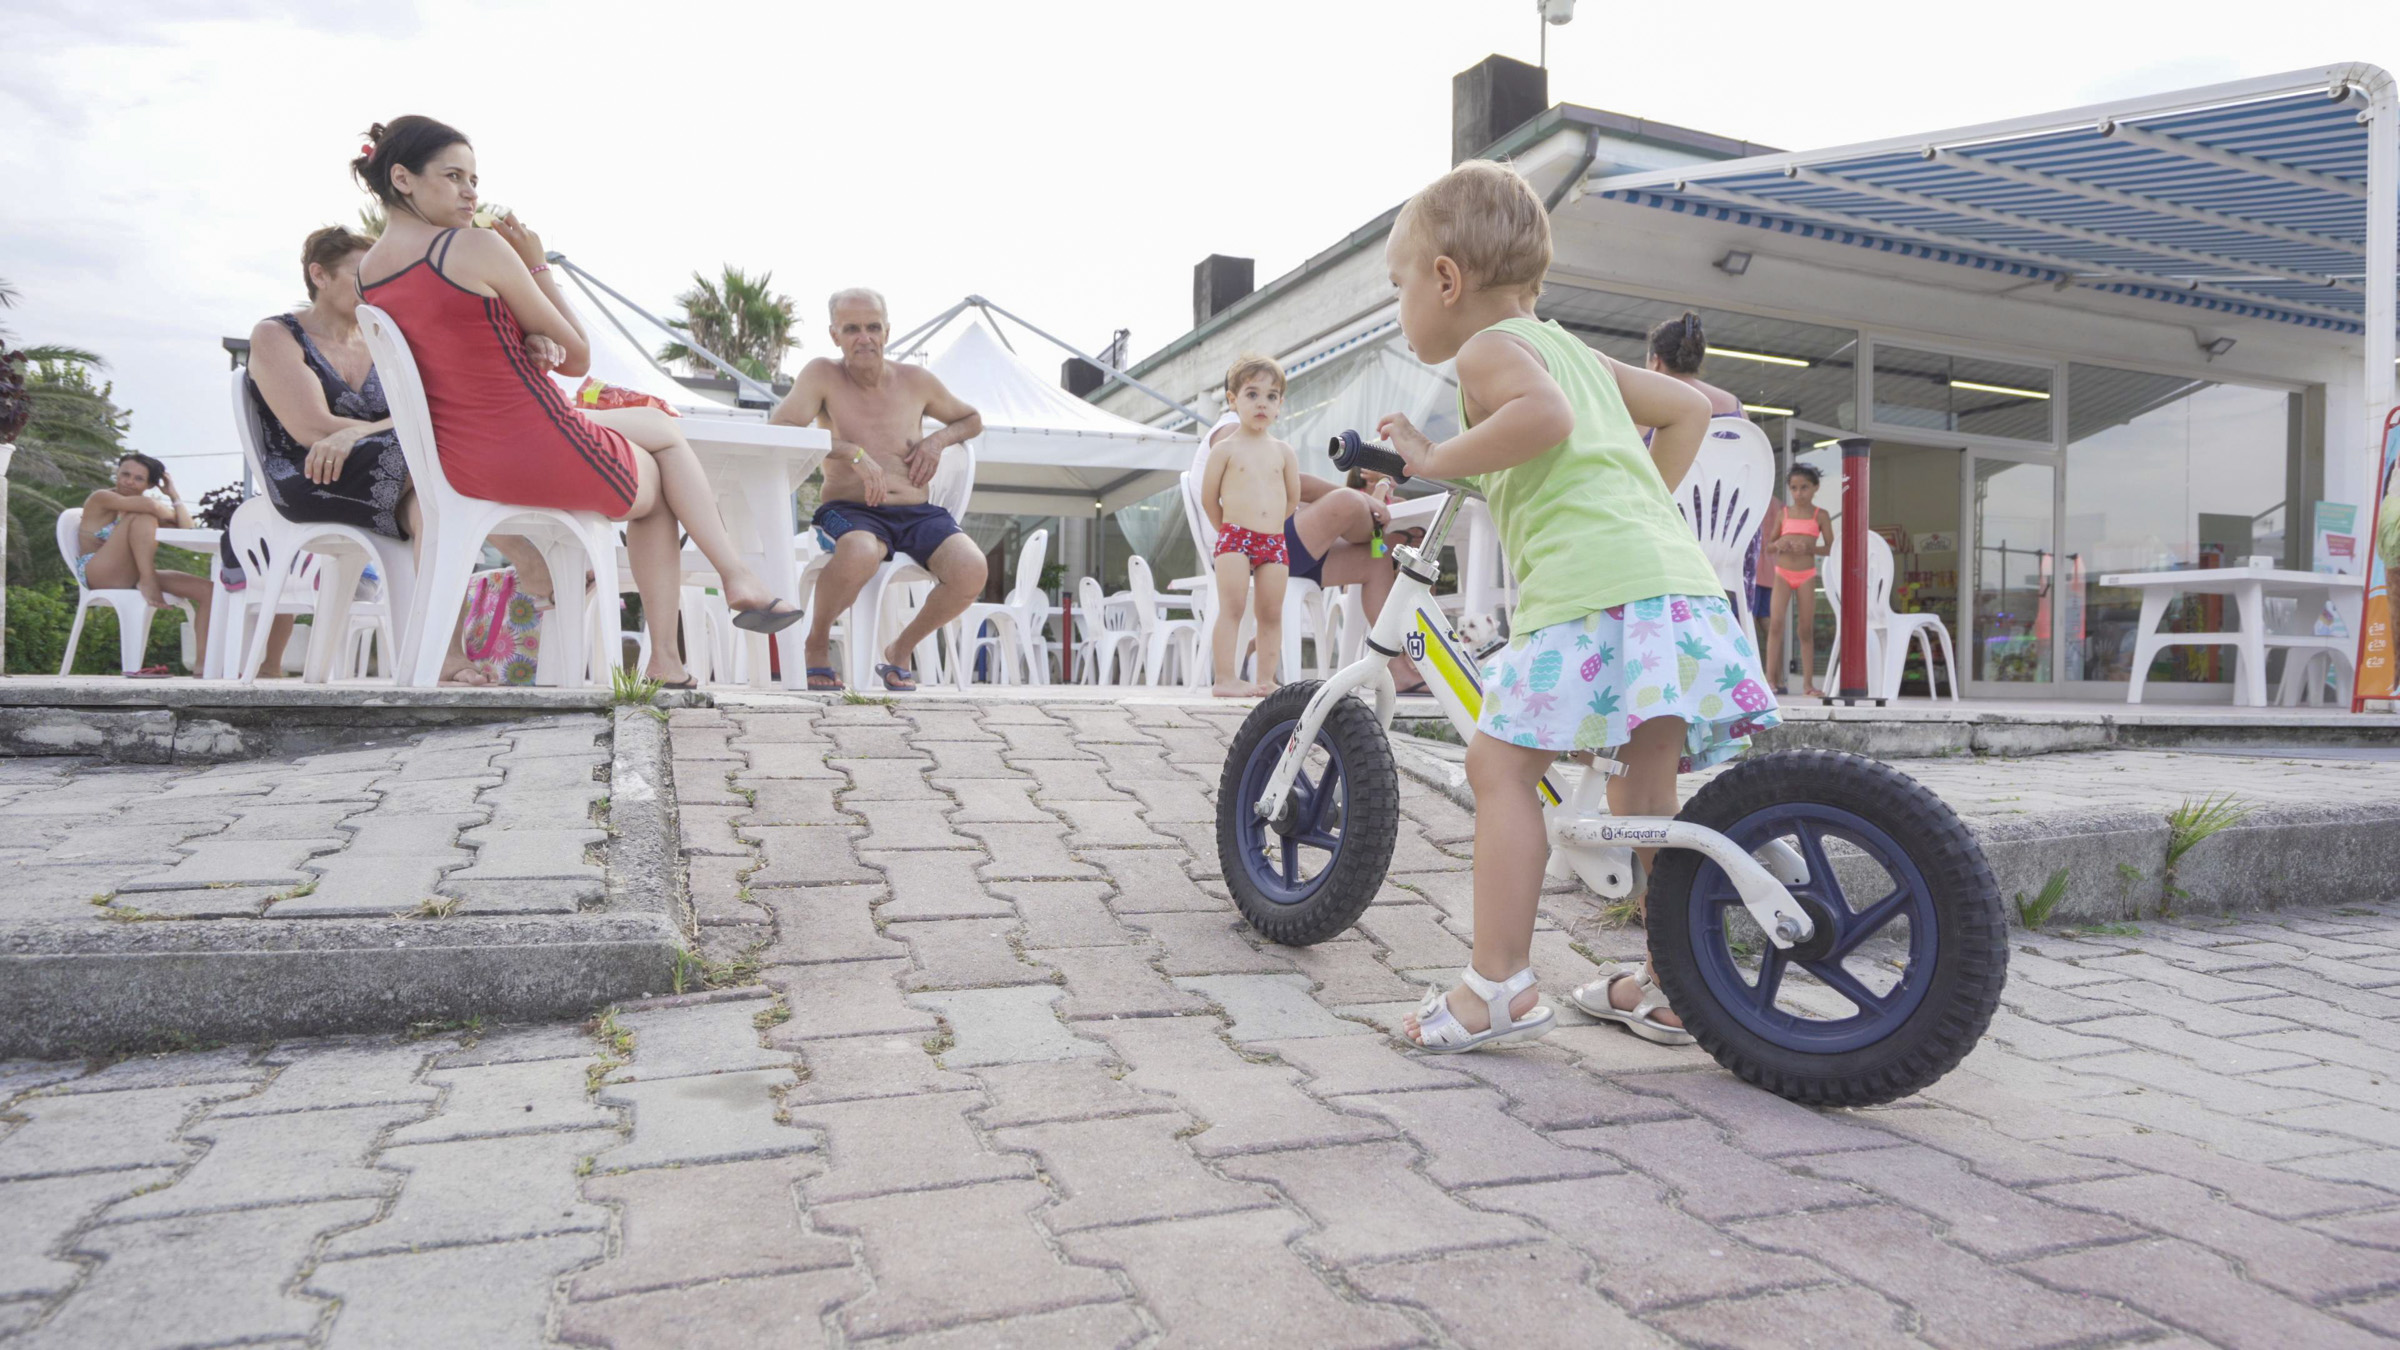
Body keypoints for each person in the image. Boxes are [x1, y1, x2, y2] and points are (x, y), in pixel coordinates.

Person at [1380, 160, 1780, 1053]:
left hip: (1590, 596)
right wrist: (1640, 502)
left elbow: (1546, 421)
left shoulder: (1488, 352)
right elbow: (1685, 410)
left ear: (1447, 279)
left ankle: (1496, 987)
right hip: (1670, 583)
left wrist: (1430, 458)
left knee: (1498, 768)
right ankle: (1679, 983)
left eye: (1400, 285)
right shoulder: (1578, 352)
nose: (1400, 303)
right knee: (1649, 790)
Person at [352, 115, 800, 689]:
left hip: (460, 462)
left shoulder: (369, 276)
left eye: (475, 179)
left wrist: (527, 336)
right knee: (662, 467)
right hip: (538, 446)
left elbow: (461, 348)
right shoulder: (474, 247)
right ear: (403, 178)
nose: (471, 192)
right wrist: (536, 262)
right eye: (454, 176)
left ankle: (721, 595)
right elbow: (579, 356)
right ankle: (695, 624)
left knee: (658, 434)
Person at [245, 223, 555, 681]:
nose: (374, 288)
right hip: (310, 476)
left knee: (437, 512)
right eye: (359, 275)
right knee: (441, 447)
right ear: (319, 274)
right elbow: (312, 429)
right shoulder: (278, 335)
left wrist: (529, 339)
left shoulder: (387, 339)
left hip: (399, 474)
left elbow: (446, 403)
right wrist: (376, 431)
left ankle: (449, 658)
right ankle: (527, 557)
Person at [773, 288, 986, 693]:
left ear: (887, 331)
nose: (864, 337)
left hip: (915, 512)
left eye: (873, 327)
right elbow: (780, 432)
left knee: (971, 569)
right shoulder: (822, 375)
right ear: (835, 335)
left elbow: (972, 419)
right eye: (851, 329)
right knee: (861, 551)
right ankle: (816, 644)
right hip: (850, 511)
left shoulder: (916, 381)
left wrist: (937, 441)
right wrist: (849, 451)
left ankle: (900, 649)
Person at [1199, 355, 1300, 696]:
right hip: (1234, 538)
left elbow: (1291, 499)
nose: (1262, 403)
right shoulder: (1225, 448)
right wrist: (1228, 529)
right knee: (1233, 607)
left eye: (1271, 396)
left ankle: (1265, 679)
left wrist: (1269, 524)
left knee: (1271, 612)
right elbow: (1209, 497)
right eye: (1252, 394)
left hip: (1272, 541)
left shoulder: (1284, 451)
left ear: (1280, 404)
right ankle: (1225, 678)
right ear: (1233, 400)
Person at [75, 454, 212, 673]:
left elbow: (187, 528)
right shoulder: (101, 497)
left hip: (133, 573)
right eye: (125, 474)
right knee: (143, 517)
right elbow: (149, 506)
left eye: (139, 479)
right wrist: (164, 511)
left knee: (208, 590)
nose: (129, 481)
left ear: (150, 484)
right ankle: (148, 581)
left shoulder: (145, 507)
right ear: (117, 473)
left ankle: (204, 665)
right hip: (97, 572)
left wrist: (173, 495)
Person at [1761, 463, 1833, 697]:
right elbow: (1770, 546)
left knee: (1805, 630)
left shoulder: (1820, 515)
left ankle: (1808, 685)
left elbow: (1831, 548)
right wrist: (1779, 544)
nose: (1798, 493)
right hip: (1782, 573)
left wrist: (1811, 548)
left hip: (1806, 576)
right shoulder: (1783, 513)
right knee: (1775, 626)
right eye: (1794, 488)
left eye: (1804, 488)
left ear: (1815, 488)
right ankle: (1770, 680)